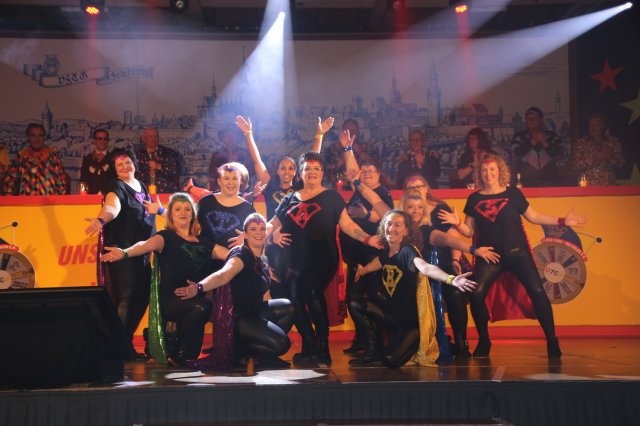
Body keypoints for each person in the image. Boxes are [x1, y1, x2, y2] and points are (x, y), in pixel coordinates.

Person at [438, 154, 587, 359]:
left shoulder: (513, 194)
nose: (488, 173)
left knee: (538, 292)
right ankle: (484, 341)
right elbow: (469, 231)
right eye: (484, 170)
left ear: (500, 171)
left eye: (492, 169)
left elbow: (534, 216)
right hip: (489, 257)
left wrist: (562, 221)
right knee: (477, 294)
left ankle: (552, 341)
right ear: (479, 174)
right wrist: (457, 223)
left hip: (518, 254)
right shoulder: (474, 199)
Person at [269, 151, 382, 367]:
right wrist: (266, 234)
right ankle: (309, 346)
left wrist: (368, 239)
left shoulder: (331, 197)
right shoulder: (289, 198)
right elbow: (271, 224)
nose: (312, 172)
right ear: (300, 173)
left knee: (313, 295)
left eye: (316, 169)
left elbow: (347, 225)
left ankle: (323, 348)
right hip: (292, 261)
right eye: (307, 168)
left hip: (322, 259)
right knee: (295, 302)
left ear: (322, 173)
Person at [101, 193, 229, 367]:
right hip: (171, 302)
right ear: (171, 215)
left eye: (187, 209)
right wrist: (125, 253)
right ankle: (181, 357)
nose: (183, 213)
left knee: (205, 306)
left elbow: (230, 255)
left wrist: (251, 248)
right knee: (202, 306)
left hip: (195, 298)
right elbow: (145, 245)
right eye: (177, 209)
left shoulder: (204, 242)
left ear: (193, 214)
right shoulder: (165, 237)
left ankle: (184, 354)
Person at [349, 209, 477, 367]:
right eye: (389, 224)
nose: (392, 228)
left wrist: (451, 279)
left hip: (410, 324)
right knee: (356, 304)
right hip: (391, 317)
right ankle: (372, 351)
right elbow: (372, 266)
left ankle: (421, 344)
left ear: (406, 231)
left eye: (397, 225)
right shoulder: (386, 254)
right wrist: (361, 270)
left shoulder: (407, 251)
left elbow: (426, 267)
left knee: (390, 360)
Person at [176, 213, 295, 369]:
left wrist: (266, 329)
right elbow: (223, 275)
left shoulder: (262, 256)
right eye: (253, 229)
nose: (259, 233)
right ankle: (240, 351)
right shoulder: (240, 256)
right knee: (283, 344)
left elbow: (263, 294)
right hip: (239, 318)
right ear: (245, 234)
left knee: (287, 306)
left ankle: (262, 355)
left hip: (254, 312)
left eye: (262, 229)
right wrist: (198, 287)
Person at [398, 190, 499, 360]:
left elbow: (449, 240)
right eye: (411, 207)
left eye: (420, 207)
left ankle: (460, 343)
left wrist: (474, 250)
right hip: (411, 279)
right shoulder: (396, 230)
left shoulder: (426, 230)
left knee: (455, 294)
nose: (416, 211)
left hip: (437, 272)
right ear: (403, 209)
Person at [84, 148, 161, 350]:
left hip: (141, 252)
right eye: (120, 164)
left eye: (128, 162)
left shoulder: (141, 185)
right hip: (122, 253)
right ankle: (118, 348)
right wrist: (101, 220)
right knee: (125, 299)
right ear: (115, 169)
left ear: (134, 164)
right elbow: (112, 206)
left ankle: (124, 343)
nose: (125, 167)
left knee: (142, 299)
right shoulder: (116, 186)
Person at [338, 127, 394, 354]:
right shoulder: (359, 189)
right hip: (356, 255)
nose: (368, 173)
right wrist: (348, 149)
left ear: (379, 174)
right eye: (365, 171)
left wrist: (366, 215)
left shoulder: (383, 192)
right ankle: (363, 340)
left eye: (372, 171)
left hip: (372, 257)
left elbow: (386, 215)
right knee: (354, 298)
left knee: (368, 299)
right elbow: (353, 172)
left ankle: (375, 343)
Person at [2, 123, 66, 195]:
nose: (37, 139)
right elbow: (9, 183)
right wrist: (10, 198)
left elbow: (61, 183)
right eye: (33, 136)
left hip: (48, 200)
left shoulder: (53, 157)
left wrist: (57, 200)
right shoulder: (21, 157)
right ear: (28, 137)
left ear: (44, 137)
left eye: (40, 135)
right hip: (26, 201)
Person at [511, 107, 563, 187]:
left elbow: (560, 151)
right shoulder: (519, 137)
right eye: (528, 119)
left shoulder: (552, 136)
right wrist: (533, 141)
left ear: (540, 119)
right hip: (525, 182)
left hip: (550, 182)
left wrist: (544, 143)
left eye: (534, 118)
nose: (531, 121)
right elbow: (516, 152)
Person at [572, 113, 624, 186]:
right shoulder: (581, 143)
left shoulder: (612, 142)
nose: (593, 128)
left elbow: (621, 163)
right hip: (587, 186)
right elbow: (575, 165)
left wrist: (610, 158)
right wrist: (592, 159)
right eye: (591, 125)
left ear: (603, 126)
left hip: (609, 185)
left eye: (596, 125)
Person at [135, 126, 181, 193]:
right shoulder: (137, 155)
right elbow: (134, 176)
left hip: (166, 193)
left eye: (156, 136)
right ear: (144, 139)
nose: (153, 139)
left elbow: (176, 171)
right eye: (150, 136)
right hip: (144, 194)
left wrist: (159, 166)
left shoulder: (170, 153)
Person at [208, 124, 251, 192]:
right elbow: (212, 175)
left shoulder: (244, 154)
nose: (231, 138)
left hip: (241, 191)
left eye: (233, 135)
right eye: (228, 135)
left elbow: (249, 174)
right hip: (221, 191)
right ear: (223, 138)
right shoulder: (217, 155)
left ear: (238, 138)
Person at [80, 128, 113, 194]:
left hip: (109, 196)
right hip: (91, 197)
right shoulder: (87, 159)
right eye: (99, 138)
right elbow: (83, 180)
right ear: (94, 141)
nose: (103, 141)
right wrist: (83, 195)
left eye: (105, 139)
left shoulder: (113, 159)